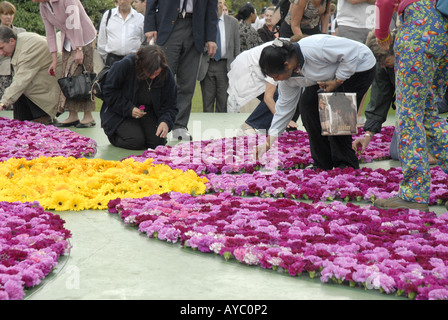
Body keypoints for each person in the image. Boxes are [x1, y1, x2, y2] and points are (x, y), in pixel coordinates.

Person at [256, 36, 376, 170]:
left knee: (336, 108)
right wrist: (267, 143)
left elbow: (352, 53)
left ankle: (346, 164)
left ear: (286, 64)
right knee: (307, 106)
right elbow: (284, 109)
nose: (277, 80)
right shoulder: (287, 78)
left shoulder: (314, 47)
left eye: (276, 77)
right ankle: (322, 162)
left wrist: (338, 81)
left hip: (358, 67)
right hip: (328, 76)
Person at [373, 0, 448, 212]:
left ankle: (414, 193)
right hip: (443, 33)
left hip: (418, 30)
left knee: (409, 115)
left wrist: (382, 34)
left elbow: (384, 2)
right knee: (428, 114)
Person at [144, 0, 218, 142]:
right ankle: (156, 122)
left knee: (187, 83)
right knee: (160, 78)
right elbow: (151, 3)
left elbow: (211, 9)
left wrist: (211, 38)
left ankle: (179, 125)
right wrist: (149, 25)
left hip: (195, 29)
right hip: (167, 27)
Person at [100, 45, 178, 150]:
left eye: (157, 72)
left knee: (158, 143)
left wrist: (165, 121)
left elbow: (171, 104)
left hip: (147, 113)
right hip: (119, 112)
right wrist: (129, 109)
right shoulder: (126, 65)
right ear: (142, 65)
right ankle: (114, 136)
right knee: (135, 141)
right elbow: (109, 92)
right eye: (150, 72)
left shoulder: (166, 73)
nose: (154, 76)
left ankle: (141, 133)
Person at [35, 0, 97, 128]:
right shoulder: (43, 6)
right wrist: (54, 58)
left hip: (84, 38)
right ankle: (73, 115)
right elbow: (50, 33)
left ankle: (88, 116)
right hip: (67, 41)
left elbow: (76, 24)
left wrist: (79, 49)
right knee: (67, 77)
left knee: (83, 77)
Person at [0, 27, 61, 124]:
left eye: (1, 48)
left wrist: (3, 103)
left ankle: (44, 116)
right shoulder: (19, 41)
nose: (1, 53)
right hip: (45, 76)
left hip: (53, 80)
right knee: (17, 88)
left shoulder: (28, 50)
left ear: (11, 41)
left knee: (20, 86)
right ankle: (26, 119)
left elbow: (21, 81)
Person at [197, 0, 239, 113]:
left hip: (225, 66)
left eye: (220, 2)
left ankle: (222, 128)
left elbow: (236, 48)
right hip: (207, 66)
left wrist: (235, 69)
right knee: (208, 103)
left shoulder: (233, 23)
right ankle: (207, 129)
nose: (217, 4)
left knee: (223, 103)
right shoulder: (202, 22)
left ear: (224, 4)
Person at [97, 0, 145, 67]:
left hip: (133, 61)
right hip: (112, 60)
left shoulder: (140, 18)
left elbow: (143, 41)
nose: (122, 2)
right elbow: (102, 40)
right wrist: (107, 59)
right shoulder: (108, 16)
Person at [0, 1, 25, 106]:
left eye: (11, 14)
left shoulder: (21, 32)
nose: (8, 17)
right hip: (2, 73)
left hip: (19, 71)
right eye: (5, 14)